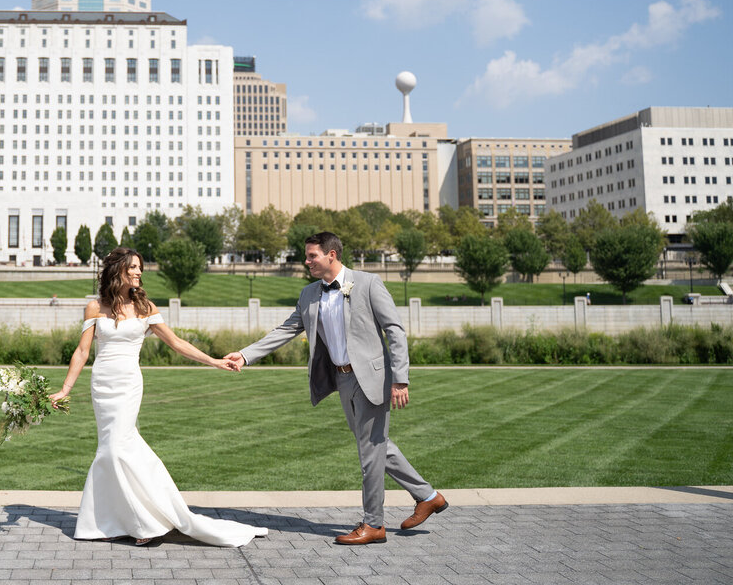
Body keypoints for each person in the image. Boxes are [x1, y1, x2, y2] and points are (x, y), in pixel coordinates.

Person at [225, 232, 445, 546]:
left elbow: (394, 330)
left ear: (331, 255)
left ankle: (374, 524)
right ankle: (428, 496)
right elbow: (286, 329)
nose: (307, 261)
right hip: (341, 379)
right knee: (375, 444)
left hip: (371, 378)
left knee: (369, 452)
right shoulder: (309, 294)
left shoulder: (367, 283)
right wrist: (246, 355)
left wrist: (400, 378)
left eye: (312, 255)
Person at [50, 246, 267, 547]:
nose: (139, 272)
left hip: (128, 384)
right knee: (113, 450)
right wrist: (65, 389)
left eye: (140, 268)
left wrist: (215, 361)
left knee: (116, 449)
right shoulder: (95, 307)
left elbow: (176, 343)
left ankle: (145, 521)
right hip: (102, 385)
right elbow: (83, 351)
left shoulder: (146, 308)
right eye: (133, 268)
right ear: (118, 271)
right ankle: (110, 521)